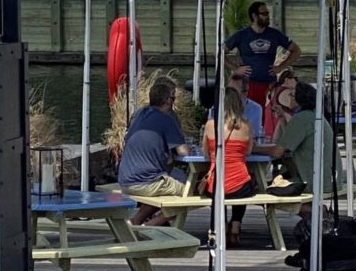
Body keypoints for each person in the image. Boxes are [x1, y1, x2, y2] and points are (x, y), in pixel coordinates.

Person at [116, 75, 195, 224]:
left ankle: (136, 221)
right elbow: (184, 152)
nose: (173, 102)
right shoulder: (166, 119)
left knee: (166, 181)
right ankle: (150, 225)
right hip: (147, 182)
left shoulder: (139, 115)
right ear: (166, 100)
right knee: (192, 193)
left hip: (125, 180)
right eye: (172, 98)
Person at [224, 1, 300, 138]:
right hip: (248, 85)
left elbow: (296, 50)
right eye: (264, 14)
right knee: (248, 114)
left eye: (267, 13)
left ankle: (268, 144)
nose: (267, 16)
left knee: (269, 117)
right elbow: (219, 53)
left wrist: (281, 67)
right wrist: (235, 69)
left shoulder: (274, 34)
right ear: (254, 16)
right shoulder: (242, 35)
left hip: (269, 84)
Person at [201, 85, 260, 248]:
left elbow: (205, 152)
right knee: (247, 182)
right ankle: (236, 224)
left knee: (217, 191)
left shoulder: (210, 125)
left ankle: (222, 224)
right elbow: (248, 152)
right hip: (240, 184)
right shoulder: (247, 126)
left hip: (215, 183)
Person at [269, 81, 335, 199]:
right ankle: (310, 214)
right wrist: (282, 118)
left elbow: (279, 151)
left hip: (314, 180)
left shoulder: (301, 118)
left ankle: (314, 211)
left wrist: (254, 148)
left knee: (264, 189)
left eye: (291, 95)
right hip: (329, 178)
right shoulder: (314, 115)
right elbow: (290, 140)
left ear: (298, 99)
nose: (288, 98)